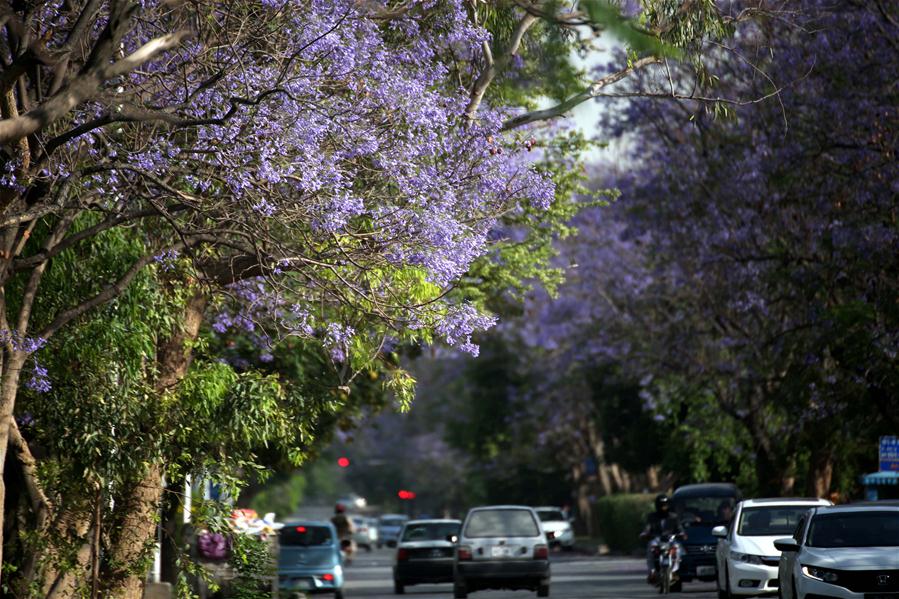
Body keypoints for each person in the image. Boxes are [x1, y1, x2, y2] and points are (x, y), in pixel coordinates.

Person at [640, 494, 683, 582]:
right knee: (650, 546)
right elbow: (647, 528)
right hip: (657, 539)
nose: (664, 507)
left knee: (678, 548)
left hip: (670, 539)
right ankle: (652, 572)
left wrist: (682, 534)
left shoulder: (673, 517)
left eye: (665, 505)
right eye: (661, 505)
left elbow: (679, 528)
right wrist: (645, 533)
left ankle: (674, 570)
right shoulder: (652, 517)